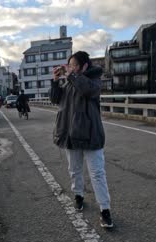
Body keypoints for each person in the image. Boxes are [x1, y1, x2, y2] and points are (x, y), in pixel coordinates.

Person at [49, 51, 113, 228]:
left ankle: (105, 210)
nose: (71, 68)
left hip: (91, 134)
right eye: (69, 66)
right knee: (74, 169)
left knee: (97, 173)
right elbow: (55, 99)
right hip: (71, 134)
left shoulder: (93, 79)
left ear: (85, 66)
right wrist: (55, 81)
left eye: (75, 65)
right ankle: (78, 195)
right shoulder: (70, 82)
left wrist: (73, 76)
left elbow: (88, 90)